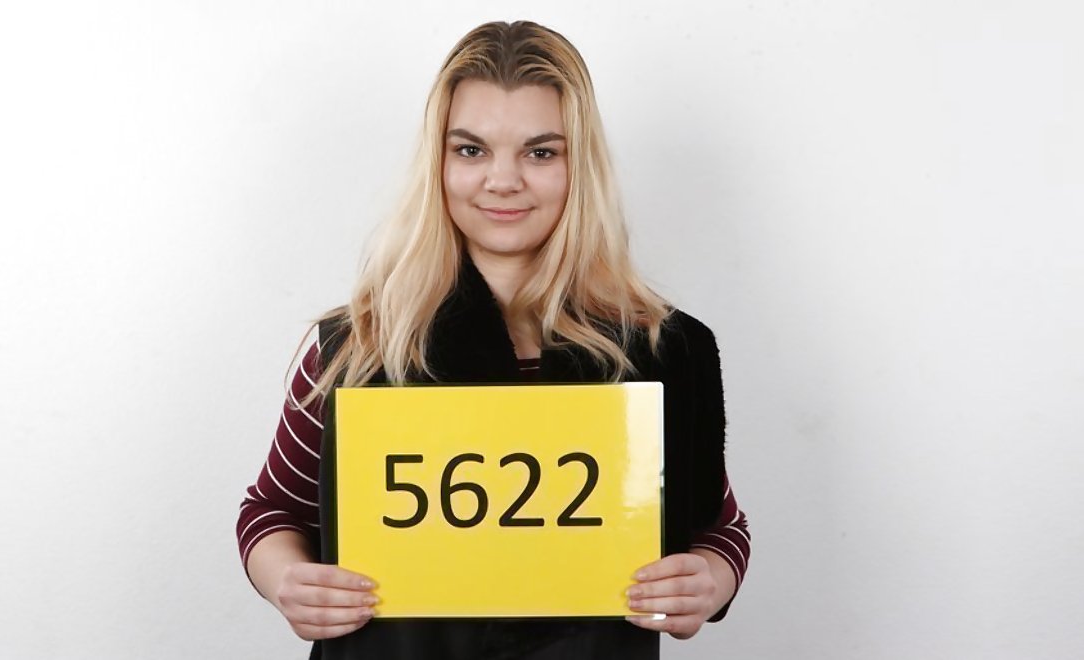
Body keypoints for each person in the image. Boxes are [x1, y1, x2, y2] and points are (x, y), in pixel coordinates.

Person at [237, 20, 751, 659]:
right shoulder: (359, 345)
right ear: (438, 162)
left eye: (542, 153)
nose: (503, 180)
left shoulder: (665, 349)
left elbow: (718, 528)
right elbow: (273, 513)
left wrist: (708, 580)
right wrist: (288, 580)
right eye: (471, 150)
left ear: (580, 166)